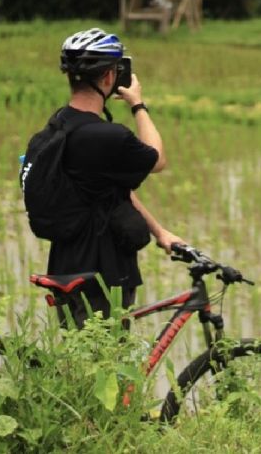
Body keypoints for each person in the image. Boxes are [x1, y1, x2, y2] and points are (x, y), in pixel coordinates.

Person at [48, 27, 182, 327]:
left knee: (78, 362)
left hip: (65, 266)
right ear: (110, 77)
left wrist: (160, 233)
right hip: (103, 274)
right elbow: (157, 159)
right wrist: (138, 104)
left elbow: (113, 192)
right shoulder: (107, 135)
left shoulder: (59, 124)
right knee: (104, 369)